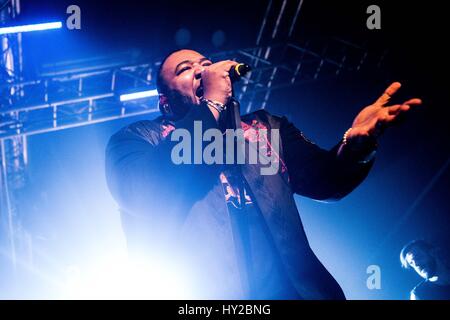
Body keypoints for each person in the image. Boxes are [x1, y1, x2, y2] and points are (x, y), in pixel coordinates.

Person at [105, 49, 422, 299]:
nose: (202, 69)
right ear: (165, 101)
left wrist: (355, 145)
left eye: (205, 63)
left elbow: (327, 180)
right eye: (185, 69)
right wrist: (211, 105)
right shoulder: (139, 138)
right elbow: (143, 192)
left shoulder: (264, 128)